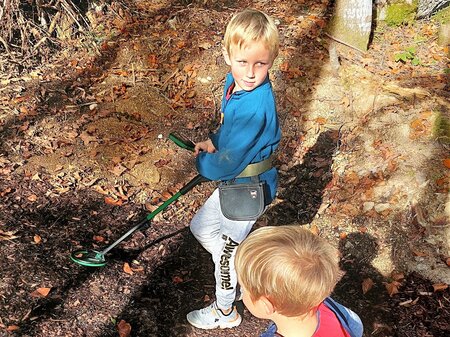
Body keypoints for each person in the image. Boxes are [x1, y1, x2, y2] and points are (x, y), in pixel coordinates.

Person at [186, 8, 281, 330]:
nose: (252, 72)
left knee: (225, 257)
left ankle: (225, 312)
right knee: (201, 229)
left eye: (261, 64)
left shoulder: (255, 105)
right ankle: (238, 268)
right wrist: (213, 141)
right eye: (243, 62)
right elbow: (230, 135)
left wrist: (204, 161)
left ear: (272, 60)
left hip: (248, 187)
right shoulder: (235, 84)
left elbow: (221, 166)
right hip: (236, 179)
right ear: (227, 55)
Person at [234, 225, 364, 337]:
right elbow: (355, 324)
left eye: (243, 288)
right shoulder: (319, 301)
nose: (241, 291)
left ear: (265, 305)